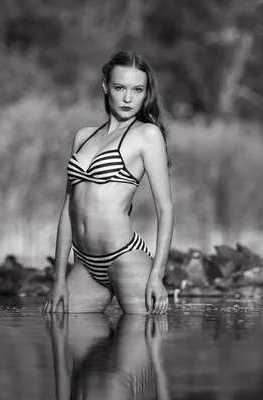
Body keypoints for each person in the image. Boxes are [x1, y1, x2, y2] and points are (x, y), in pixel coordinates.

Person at [43, 51, 173, 315]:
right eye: (120, 87)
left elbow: (165, 209)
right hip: (86, 265)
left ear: (146, 92)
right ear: (105, 86)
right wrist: (58, 279)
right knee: (58, 322)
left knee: (144, 339)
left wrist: (156, 275)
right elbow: (68, 210)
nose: (128, 98)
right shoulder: (83, 137)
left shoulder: (146, 135)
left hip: (124, 257)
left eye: (137, 90)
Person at [45, 312, 172, 400]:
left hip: (96, 367)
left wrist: (59, 343)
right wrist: (158, 364)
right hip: (123, 373)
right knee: (60, 309)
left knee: (59, 310)